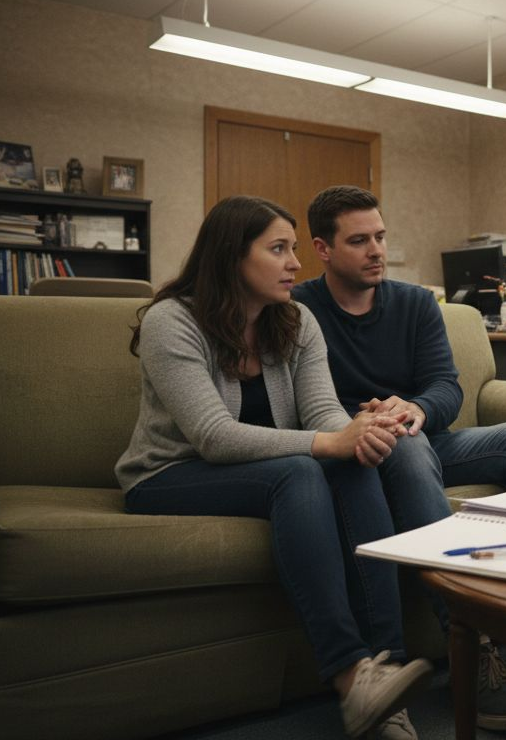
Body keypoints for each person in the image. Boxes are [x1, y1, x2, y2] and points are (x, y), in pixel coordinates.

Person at [293, 185, 506, 733]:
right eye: (359, 241)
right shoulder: (300, 310)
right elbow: (304, 402)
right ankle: (471, 642)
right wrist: (370, 420)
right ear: (323, 249)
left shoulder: (416, 303)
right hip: (359, 449)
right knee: (407, 446)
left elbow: (445, 385)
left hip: (426, 437)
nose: (376, 250)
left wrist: (416, 408)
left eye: (380, 237)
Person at [115, 195, 439, 740]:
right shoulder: (172, 321)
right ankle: (349, 672)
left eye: (293, 248)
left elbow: (323, 412)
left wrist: (360, 434)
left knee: (353, 462)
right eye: (278, 249)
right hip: (169, 474)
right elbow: (213, 437)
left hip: (266, 469)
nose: (295, 263)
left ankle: (384, 673)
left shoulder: (294, 319)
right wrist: (331, 441)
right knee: (304, 469)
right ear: (232, 256)